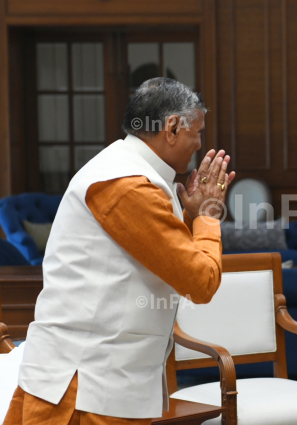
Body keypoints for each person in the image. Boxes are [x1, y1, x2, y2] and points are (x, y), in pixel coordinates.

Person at [4, 77, 235, 424]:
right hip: (85, 389)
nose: (200, 144)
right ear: (172, 128)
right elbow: (201, 281)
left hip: (100, 384)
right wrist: (206, 216)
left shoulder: (130, 172)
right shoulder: (128, 185)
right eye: (197, 132)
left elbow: (155, 256)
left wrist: (189, 216)